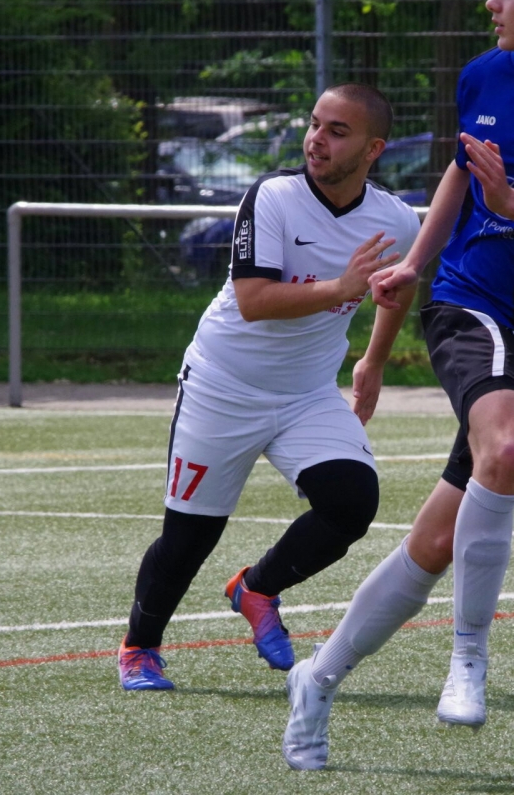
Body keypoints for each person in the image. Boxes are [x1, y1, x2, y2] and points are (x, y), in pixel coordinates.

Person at [117, 82, 421, 691]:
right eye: (315, 124)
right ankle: (139, 648)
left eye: (338, 131)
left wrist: (374, 360)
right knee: (190, 536)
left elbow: (399, 284)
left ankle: (256, 588)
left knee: (352, 503)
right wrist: (341, 288)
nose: (317, 140)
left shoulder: (395, 219)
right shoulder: (273, 197)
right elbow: (255, 301)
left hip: (308, 392)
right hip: (223, 385)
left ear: (374, 149)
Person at [282, 0, 514, 771]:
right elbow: (460, 171)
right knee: (504, 450)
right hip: (475, 303)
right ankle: (468, 655)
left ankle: (318, 677)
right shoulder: (484, 74)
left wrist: (512, 203)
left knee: (440, 538)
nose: (490, 2)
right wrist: (415, 263)